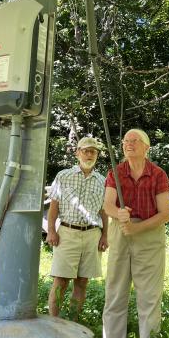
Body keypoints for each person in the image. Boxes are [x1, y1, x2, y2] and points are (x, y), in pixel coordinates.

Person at [95, 129, 169, 338]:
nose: (128, 144)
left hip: (149, 234)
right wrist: (119, 214)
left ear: (146, 147)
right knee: (115, 293)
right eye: (125, 141)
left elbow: (164, 214)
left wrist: (137, 226)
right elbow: (107, 205)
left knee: (149, 298)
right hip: (120, 233)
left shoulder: (158, 174)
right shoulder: (115, 173)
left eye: (134, 141)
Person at [46, 136, 109, 319]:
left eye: (93, 151)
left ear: (97, 155)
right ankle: (54, 323)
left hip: (92, 235)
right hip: (67, 233)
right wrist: (51, 230)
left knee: (82, 282)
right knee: (61, 281)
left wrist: (106, 236)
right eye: (85, 150)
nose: (89, 155)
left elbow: (104, 211)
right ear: (77, 153)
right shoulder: (63, 176)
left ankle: (73, 324)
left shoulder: (102, 181)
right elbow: (53, 207)